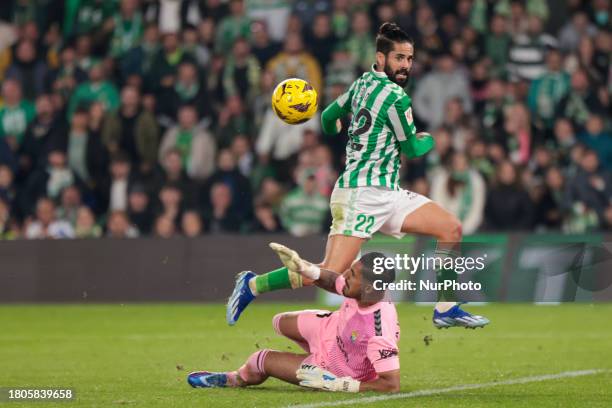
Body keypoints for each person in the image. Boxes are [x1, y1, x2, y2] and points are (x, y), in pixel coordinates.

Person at [227, 23, 489, 330]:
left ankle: (446, 307)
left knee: (450, 227)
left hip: (388, 193)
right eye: (399, 58)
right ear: (381, 58)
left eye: (409, 59)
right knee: (329, 273)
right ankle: (253, 284)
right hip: (359, 195)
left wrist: (343, 131)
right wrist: (430, 137)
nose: (405, 65)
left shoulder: (362, 82)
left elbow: (327, 120)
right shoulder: (396, 99)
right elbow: (413, 148)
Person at [192, 245, 400, 393]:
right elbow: (332, 281)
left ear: (368, 288)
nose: (344, 275)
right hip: (330, 328)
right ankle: (309, 351)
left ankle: (234, 379)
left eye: (352, 274)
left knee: (260, 360)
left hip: (335, 368)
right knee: (279, 321)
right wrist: (306, 269)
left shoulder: (379, 332)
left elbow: (391, 384)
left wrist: (342, 385)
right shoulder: (365, 291)